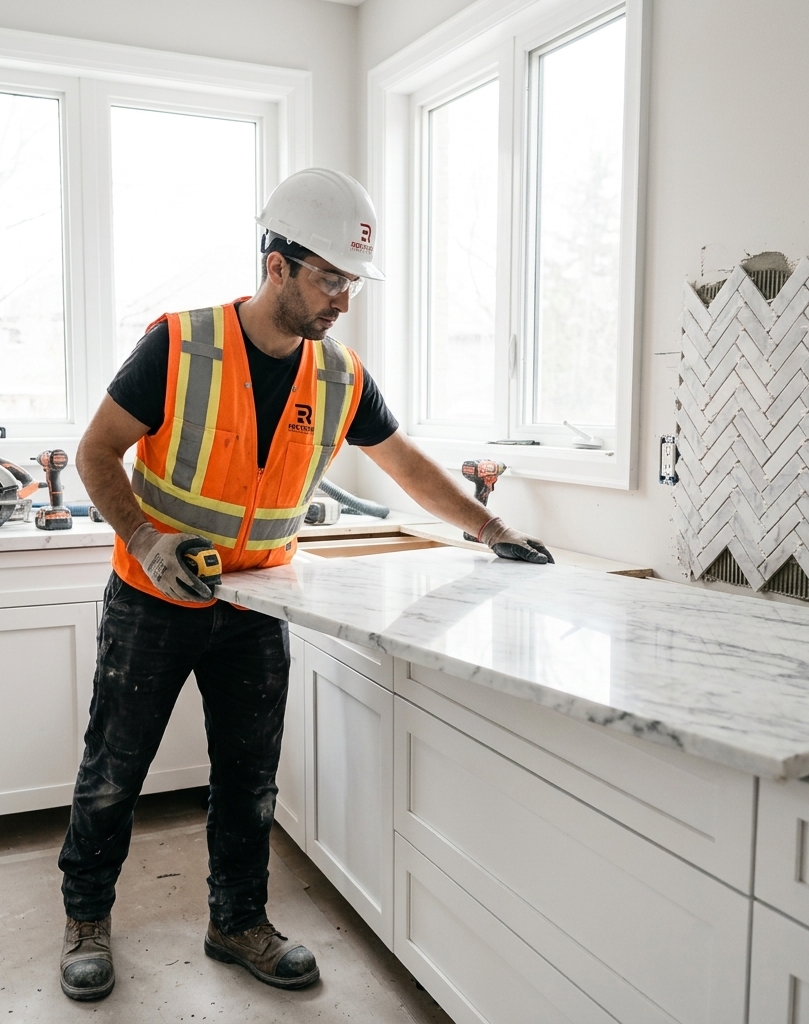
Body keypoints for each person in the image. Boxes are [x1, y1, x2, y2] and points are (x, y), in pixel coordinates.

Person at [56, 168, 553, 1002]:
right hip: (154, 597)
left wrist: (491, 527)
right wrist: (145, 535)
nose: (343, 300)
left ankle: (237, 920)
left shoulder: (339, 375)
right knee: (115, 768)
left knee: (249, 778)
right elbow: (96, 453)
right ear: (277, 263)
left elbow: (407, 466)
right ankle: (85, 919)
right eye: (330, 277)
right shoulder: (178, 344)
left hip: (257, 603)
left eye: (352, 281)